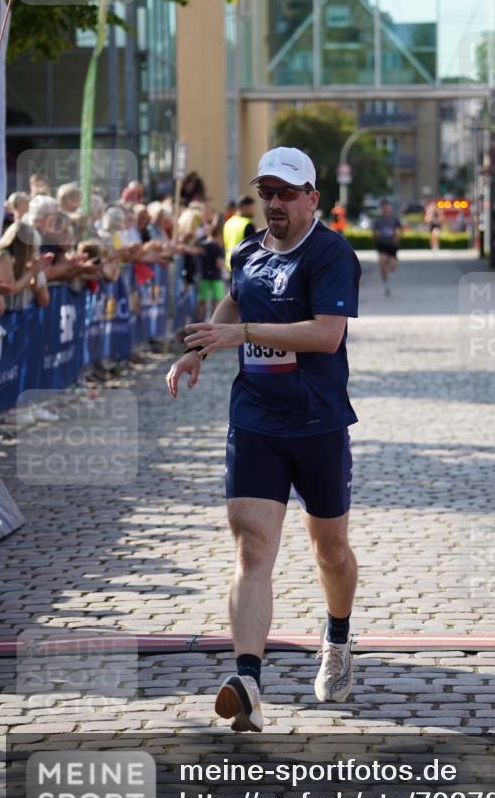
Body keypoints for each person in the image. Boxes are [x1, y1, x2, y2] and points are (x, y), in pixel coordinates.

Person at [166, 146, 361, 733]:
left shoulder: (331, 253)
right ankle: (247, 676)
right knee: (252, 549)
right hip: (255, 419)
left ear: (311, 199)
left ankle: (337, 637)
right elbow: (237, 299)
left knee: (331, 552)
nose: (273, 204)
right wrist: (202, 347)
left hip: (319, 423)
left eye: (285, 193)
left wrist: (242, 334)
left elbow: (326, 336)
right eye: (265, 192)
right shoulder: (247, 248)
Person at [372, 198, 402, 295]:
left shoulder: (394, 219)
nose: (385, 209)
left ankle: (390, 261)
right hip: (382, 245)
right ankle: (386, 284)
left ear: (390, 208)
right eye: (384, 208)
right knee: (382, 264)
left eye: (387, 208)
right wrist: (378, 235)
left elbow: (399, 231)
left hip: (392, 245)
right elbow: (375, 233)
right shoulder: (378, 220)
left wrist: (397, 237)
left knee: (392, 268)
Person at [222, 195, 256, 273]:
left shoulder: (228, 222)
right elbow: (253, 248)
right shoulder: (247, 224)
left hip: (229, 263)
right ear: (244, 207)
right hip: (244, 266)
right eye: (251, 207)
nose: (253, 210)